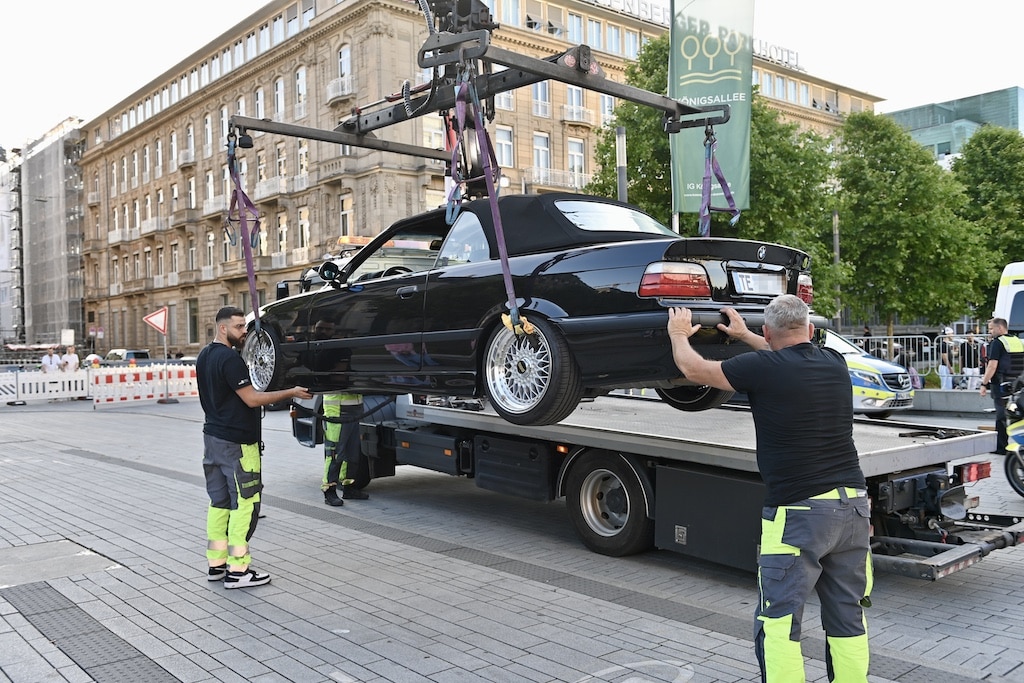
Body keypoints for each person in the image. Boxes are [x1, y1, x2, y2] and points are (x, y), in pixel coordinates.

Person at [667, 295, 871, 681]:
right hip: (854, 509)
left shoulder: (763, 368)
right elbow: (783, 351)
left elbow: (693, 368)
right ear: (810, 331)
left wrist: (679, 334)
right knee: (848, 616)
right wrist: (745, 334)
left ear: (767, 332)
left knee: (778, 621)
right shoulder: (834, 362)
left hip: (799, 514)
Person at [197, 306, 311, 588]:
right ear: (223, 328)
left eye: (244, 327)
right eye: (238, 327)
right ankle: (238, 571)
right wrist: (292, 392)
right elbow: (251, 399)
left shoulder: (204, 356)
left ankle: (216, 564)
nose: (244, 332)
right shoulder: (229, 360)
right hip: (237, 445)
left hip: (213, 440)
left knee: (219, 503)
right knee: (245, 504)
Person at [980, 317, 1024, 456]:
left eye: (992, 329)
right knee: (1017, 415)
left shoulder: (997, 343)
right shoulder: (1017, 340)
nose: (990, 332)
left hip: (1001, 384)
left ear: (1000, 328)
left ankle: (1001, 447)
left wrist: (983, 383)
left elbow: (992, 365)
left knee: (1001, 416)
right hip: (1018, 384)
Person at [321, 392, 369, 505]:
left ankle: (348, 487)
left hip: (355, 413)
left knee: (352, 455)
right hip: (337, 413)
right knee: (335, 455)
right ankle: (329, 491)